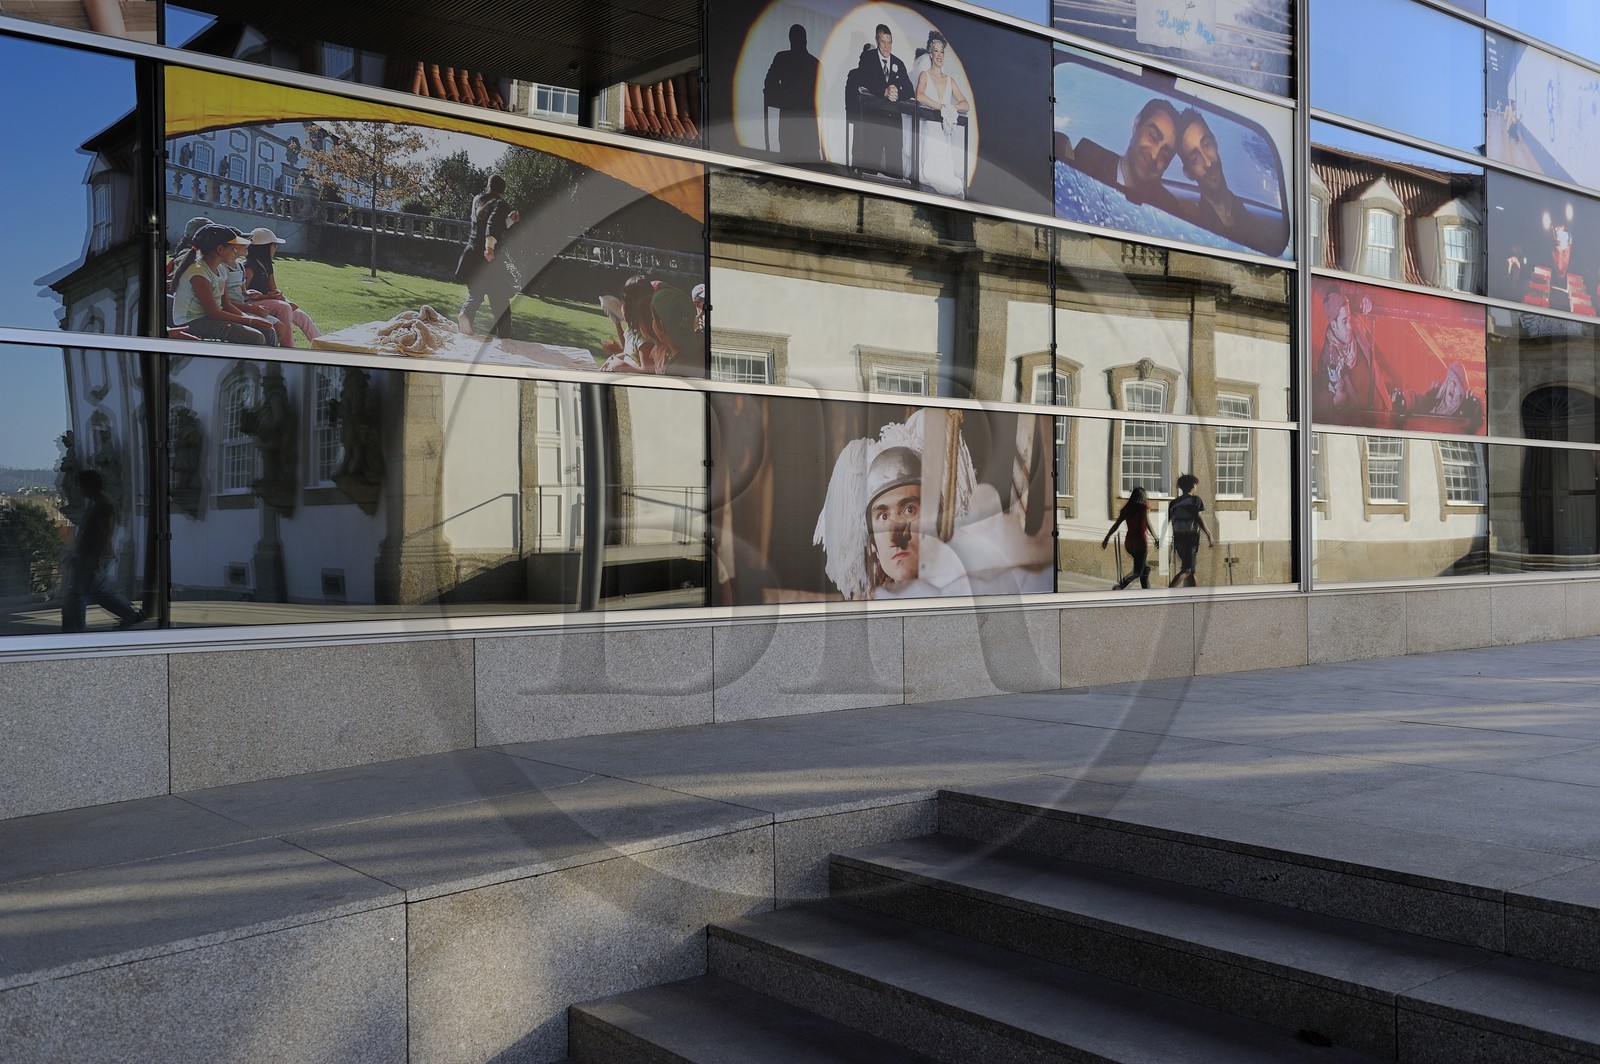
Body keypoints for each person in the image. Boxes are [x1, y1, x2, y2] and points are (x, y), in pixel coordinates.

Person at [1176, 109, 1289, 256]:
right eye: (1195, 159)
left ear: (1215, 144)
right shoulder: (1195, 226)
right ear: (1189, 173)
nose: (1208, 163)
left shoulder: (1246, 217)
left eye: (1206, 145)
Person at [1057, 97, 1183, 213]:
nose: (1155, 155)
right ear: (1136, 124)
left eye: (1165, 154)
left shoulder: (1166, 208)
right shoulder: (1085, 161)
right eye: (1153, 136)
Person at [61, 469, 144, 632]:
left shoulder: (104, 506)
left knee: (77, 595)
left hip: (92, 558)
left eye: (78, 486)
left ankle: (73, 630)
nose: (77, 489)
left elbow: (104, 534)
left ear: (87, 486)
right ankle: (131, 615)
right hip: (90, 557)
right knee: (98, 592)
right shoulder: (99, 503)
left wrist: (95, 559)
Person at [168, 224, 273, 344]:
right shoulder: (198, 274)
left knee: (268, 330)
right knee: (255, 337)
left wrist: (249, 318)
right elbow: (213, 313)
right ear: (220, 250)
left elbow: (226, 304)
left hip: (210, 318)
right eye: (232, 248)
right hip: (193, 323)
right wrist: (249, 321)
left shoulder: (221, 269)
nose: (235, 251)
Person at [1314, 288, 1394, 421]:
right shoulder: (1327, 359)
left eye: (1349, 319)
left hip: (1383, 412)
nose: (1349, 326)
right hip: (1361, 424)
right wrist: (1334, 400)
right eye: (1344, 322)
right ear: (1334, 326)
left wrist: (1366, 296)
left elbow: (1384, 294)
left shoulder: (1356, 330)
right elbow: (1314, 399)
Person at [456, 173, 520, 338]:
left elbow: (489, 222)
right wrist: (489, 248)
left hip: (471, 255)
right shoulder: (501, 204)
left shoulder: (478, 200)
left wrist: (510, 221)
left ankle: (466, 314)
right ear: (503, 191)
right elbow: (492, 224)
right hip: (488, 258)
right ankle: (506, 339)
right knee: (500, 301)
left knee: (476, 292)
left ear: (489, 187)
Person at [853, 24, 916, 180]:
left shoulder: (898, 63)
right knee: (870, 166)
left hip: (893, 124)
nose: (887, 47)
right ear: (877, 40)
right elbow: (861, 79)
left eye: (890, 42)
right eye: (883, 42)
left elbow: (909, 89)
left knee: (895, 169)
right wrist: (884, 90)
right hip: (872, 121)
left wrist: (897, 93)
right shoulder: (868, 59)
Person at [241, 227, 322, 346]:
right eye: (274, 245)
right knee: (284, 308)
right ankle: (288, 346)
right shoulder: (249, 266)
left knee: (301, 316)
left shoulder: (267, 265)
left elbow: (274, 289)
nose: (275, 248)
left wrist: (286, 300)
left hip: (270, 301)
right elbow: (244, 295)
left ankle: (322, 344)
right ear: (264, 247)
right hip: (254, 304)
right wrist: (268, 297)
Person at [914, 34, 970, 198]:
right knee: (930, 173)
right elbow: (919, 96)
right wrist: (940, 107)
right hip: (929, 128)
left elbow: (965, 105)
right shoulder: (924, 75)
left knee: (950, 180)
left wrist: (950, 108)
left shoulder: (949, 80)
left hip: (944, 131)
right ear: (931, 54)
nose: (939, 55)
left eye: (942, 52)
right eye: (936, 51)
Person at [762, 23, 822, 163]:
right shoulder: (815, 64)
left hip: (795, 121)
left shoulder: (783, 58)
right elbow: (769, 83)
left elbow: (769, 83)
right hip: (804, 123)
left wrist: (785, 95)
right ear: (805, 41)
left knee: (790, 159)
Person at [1102, 486, 1157, 590]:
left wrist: (1106, 538)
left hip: (1129, 543)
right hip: (1141, 542)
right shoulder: (1143, 507)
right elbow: (1148, 523)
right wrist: (1155, 538)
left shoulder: (1126, 509)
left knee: (1145, 569)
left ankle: (1146, 592)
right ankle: (1121, 585)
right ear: (1143, 496)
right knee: (1138, 571)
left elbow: (1116, 525)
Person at [1165, 473, 1213, 588]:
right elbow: (1199, 518)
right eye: (1196, 485)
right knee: (1187, 570)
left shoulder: (1174, 503)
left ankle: (1195, 597)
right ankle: (1168, 592)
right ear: (1193, 485)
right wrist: (1209, 534)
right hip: (1190, 538)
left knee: (1192, 570)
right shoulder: (1195, 500)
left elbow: (1168, 521)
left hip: (1178, 538)